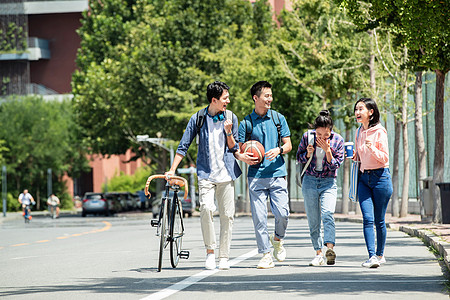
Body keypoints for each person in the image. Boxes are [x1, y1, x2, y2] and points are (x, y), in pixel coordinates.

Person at [165, 81, 242, 270]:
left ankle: (224, 256)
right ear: (214, 100)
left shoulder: (231, 117)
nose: (228, 101)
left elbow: (235, 148)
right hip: (206, 174)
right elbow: (183, 146)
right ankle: (210, 252)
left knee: (227, 216)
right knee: (206, 208)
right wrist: (172, 170)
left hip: (226, 173)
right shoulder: (198, 118)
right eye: (225, 98)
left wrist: (229, 132)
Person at [237, 80, 292, 269]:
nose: (270, 99)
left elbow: (288, 144)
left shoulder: (278, 119)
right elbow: (238, 149)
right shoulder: (246, 123)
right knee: (259, 218)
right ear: (256, 98)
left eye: (271, 95)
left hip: (277, 173)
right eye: (266, 95)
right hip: (256, 176)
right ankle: (266, 254)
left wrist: (279, 150)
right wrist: (243, 157)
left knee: (283, 214)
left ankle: (277, 239)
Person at [296, 110, 344, 266]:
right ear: (314, 130)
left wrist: (328, 151)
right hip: (310, 181)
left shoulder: (338, 140)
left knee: (328, 213)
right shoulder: (307, 137)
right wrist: (308, 154)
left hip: (328, 182)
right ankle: (318, 253)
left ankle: (330, 248)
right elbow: (299, 157)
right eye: (319, 134)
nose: (322, 138)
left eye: (326, 135)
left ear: (331, 131)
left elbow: (336, 165)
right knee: (313, 220)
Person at [353, 98, 393, 268]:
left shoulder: (380, 131)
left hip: (381, 178)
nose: (357, 112)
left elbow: (385, 158)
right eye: (356, 109)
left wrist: (372, 148)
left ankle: (380, 254)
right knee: (367, 218)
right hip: (364, 179)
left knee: (379, 220)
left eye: (360, 109)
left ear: (370, 112)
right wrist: (356, 155)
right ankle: (372, 256)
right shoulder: (358, 132)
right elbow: (360, 157)